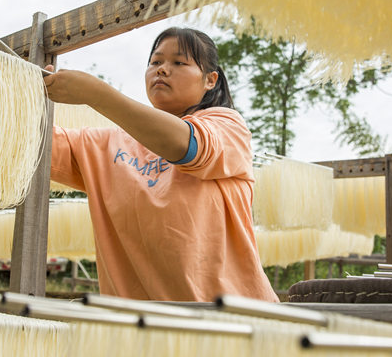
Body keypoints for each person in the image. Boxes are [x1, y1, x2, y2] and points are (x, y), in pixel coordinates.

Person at [43, 26, 278, 302]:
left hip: (234, 325)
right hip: (144, 334)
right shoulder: (106, 145)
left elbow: (186, 147)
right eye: (155, 62)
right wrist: (18, 87)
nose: (162, 70)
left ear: (210, 80)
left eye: (179, 62)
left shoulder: (227, 127)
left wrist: (97, 94)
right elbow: (32, 141)